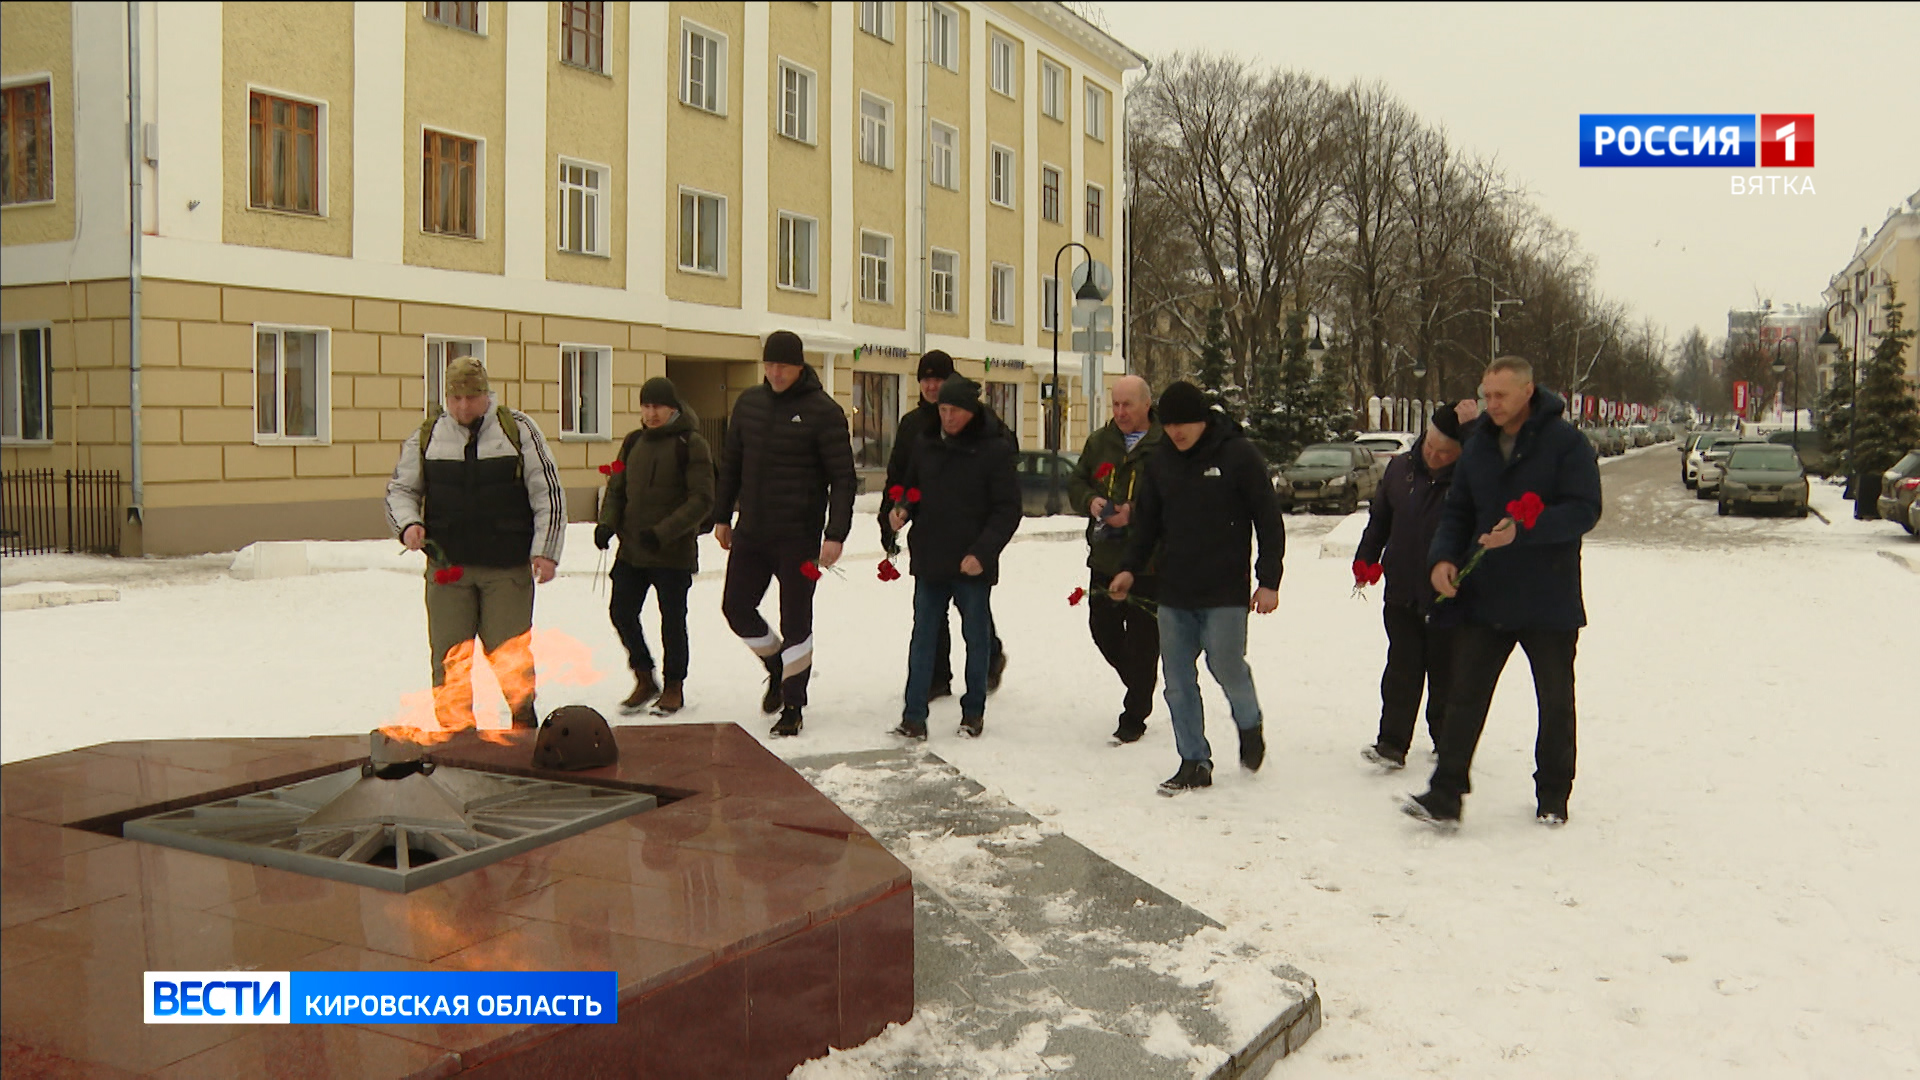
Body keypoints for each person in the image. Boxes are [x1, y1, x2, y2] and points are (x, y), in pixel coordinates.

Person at [1404, 356, 1602, 829]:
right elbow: (1458, 512)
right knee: (1464, 695)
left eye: (1501, 396)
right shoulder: (1478, 448)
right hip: (1486, 595)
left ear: (1528, 392)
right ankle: (1445, 792)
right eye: (1487, 395)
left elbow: (1585, 510)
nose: (1491, 404)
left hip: (1548, 597)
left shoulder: (1567, 444)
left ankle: (1553, 794)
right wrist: (1443, 559)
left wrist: (1527, 527)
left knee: (1555, 700)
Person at [1109, 381, 1285, 794]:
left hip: (1224, 588)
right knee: (1177, 680)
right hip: (1175, 588)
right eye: (1169, 425)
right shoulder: (1161, 461)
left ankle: (1249, 722)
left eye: (1184, 424)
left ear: (1203, 419)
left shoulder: (1237, 454)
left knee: (1225, 666)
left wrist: (1269, 580)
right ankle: (1193, 760)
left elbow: (1268, 517)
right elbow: (1147, 523)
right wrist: (1129, 568)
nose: (1177, 432)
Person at [386, 356, 565, 730]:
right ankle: (456, 738)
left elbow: (547, 492)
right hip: (448, 569)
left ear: (486, 395)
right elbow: (401, 490)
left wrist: (546, 552)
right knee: (450, 659)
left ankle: (523, 725)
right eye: (455, 399)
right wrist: (409, 525)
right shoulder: (428, 436)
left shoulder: (517, 429)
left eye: (471, 397)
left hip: (506, 569)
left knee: (510, 655)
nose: (463, 406)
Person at [711, 330, 857, 738]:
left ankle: (793, 704)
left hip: (799, 537)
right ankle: (777, 666)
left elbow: (843, 478)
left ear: (799, 366)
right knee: (735, 608)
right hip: (752, 532)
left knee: (796, 619)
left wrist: (836, 533)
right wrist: (722, 516)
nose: (775, 373)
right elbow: (731, 462)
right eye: (769, 365)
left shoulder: (823, 411)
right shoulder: (749, 404)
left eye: (783, 366)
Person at [887, 377, 1022, 739]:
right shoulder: (926, 443)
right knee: (923, 637)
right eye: (943, 410)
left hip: (971, 561)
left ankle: (973, 711)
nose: (947, 417)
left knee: (976, 638)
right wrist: (902, 508)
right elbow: (912, 486)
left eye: (954, 411)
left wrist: (982, 552)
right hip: (931, 557)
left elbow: (1007, 510)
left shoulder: (993, 449)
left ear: (970, 411)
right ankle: (913, 716)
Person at [1354, 401, 1478, 769]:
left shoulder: (1471, 478)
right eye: (1430, 448)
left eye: (1446, 453)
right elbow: (1379, 521)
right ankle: (1392, 743)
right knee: (1401, 668)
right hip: (1402, 587)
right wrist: (1367, 557)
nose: (1436, 457)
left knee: (1446, 672)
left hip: (1449, 594)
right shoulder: (1400, 469)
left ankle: (1445, 740)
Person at [594, 377, 715, 716]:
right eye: (646, 407)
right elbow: (616, 487)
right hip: (632, 550)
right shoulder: (633, 443)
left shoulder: (691, 444)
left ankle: (674, 685)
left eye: (657, 407)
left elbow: (702, 499)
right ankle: (644, 676)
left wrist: (662, 533)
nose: (651, 413)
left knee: (672, 620)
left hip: (672, 552)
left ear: (672, 408)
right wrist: (607, 523)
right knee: (621, 611)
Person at [1067, 374, 1166, 744]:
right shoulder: (1100, 442)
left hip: (1149, 561)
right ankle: (1141, 683)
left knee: (1143, 640)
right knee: (1103, 630)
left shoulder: (1163, 444)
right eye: (1116, 405)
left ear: (1146, 404)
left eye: (1128, 405)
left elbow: (1174, 497)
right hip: (1106, 555)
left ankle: (1135, 713)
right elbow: (1077, 482)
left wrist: (1135, 512)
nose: (1120, 412)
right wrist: (1090, 501)